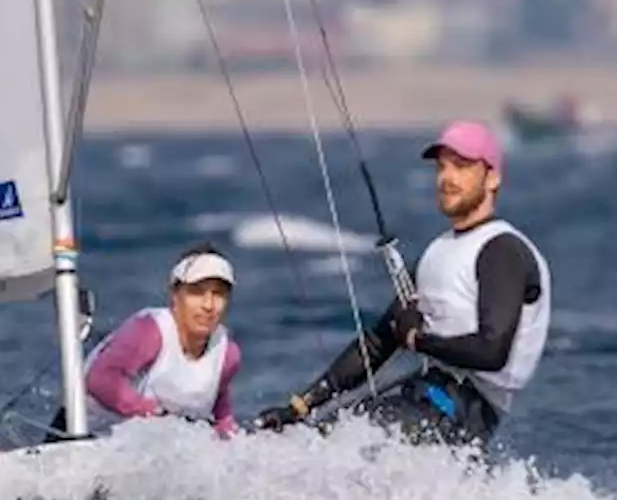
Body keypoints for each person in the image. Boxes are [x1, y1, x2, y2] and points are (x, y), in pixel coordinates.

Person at [255, 120, 551, 447]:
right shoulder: (436, 253)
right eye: (442, 167)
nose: (447, 178)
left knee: (333, 453)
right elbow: (379, 341)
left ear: (492, 176)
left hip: (466, 410)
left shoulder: (502, 249)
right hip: (424, 395)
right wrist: (300, 406)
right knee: (303, 443)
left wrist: (417, 339)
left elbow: (491, 350)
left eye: (462, 166)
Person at [45, 242, 242, 442]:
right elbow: (101, 381)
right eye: (197, 292)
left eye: (218, 294)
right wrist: (158, 417)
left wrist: (236, 441)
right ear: (175, 295)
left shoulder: (227, 354)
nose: (208, 305)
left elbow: (220, 410)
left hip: (145, 447)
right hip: (78, 434)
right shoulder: (150, 331)